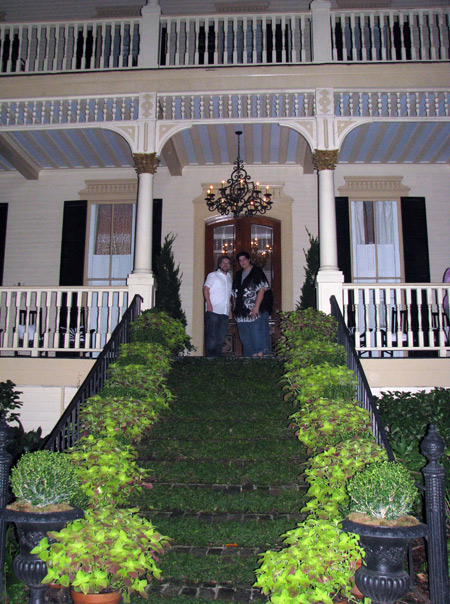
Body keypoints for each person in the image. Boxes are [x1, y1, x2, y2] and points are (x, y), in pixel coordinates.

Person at [232, 250, 271, 357]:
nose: (242, 262)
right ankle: (252, 360)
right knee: (245, 339)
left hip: (253, 311)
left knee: (257, 337)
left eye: (244, 259)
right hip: (240, 313)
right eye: (240, 260)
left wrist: (256, 307)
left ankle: (260, 360)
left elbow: (262, 289)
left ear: (249, 259)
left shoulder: (257, 271)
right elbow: (234, 293)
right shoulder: (238, 274)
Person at [203, 255, 233, 357]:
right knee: (212, 339)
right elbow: (206, 289)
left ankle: (217, 360)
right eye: (223, 263)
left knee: (220, 339)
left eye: (227, 263)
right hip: (213, 311)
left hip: (224, 313)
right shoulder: (213, 275)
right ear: (219, 264)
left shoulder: (229, 278)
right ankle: (209, 360)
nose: (225, 265)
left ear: (229, 266)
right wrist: (209, 304)